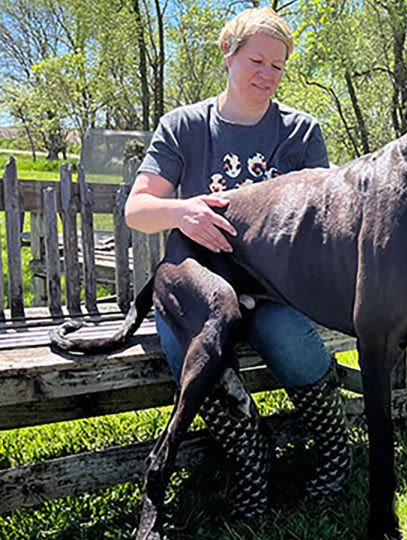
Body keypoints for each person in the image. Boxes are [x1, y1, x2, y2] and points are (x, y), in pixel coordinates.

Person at [126, 7, 350, 520]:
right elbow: (137, 210)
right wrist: (181, 212)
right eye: (256, 60)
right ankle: (252, 464)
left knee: (290, 339)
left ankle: (335, 453)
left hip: (273, 288)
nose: (266, 75)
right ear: (227, 55)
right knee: (204, 361)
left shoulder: (300, 133)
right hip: (198, 288)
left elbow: (324, 219)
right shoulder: (183, 126)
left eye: (278, 66)